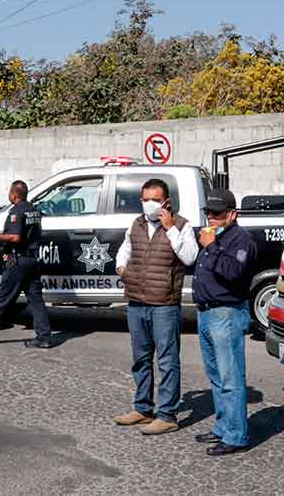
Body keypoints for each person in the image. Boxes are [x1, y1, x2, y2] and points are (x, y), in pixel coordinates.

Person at [111, 178, 198, 436]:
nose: (149, 204)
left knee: (167, 361)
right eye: (145, 199)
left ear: (166, 202)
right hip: (137, 302)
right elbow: (124, 250)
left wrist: (170, 228)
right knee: (140, 359)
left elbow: (189, 257)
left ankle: (167, 414)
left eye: (155, 200)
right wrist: (122, 268)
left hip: (164, 305)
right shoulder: (136, 224)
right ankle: (142, 408)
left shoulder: (182, 225)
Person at [191, 189, 257, 456]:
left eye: (217, 213)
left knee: (231, 378)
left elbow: (233, 272)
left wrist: (211, 246)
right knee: (216, 377)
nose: (211, 217)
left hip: (226, 313)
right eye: (208, 212)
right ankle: (223, 426)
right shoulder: (215, 236)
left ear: (232, 214)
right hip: (207, 312)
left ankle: (236, 435)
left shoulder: (240, 240)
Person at [0, 180, 53, 348]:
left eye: (9, 192)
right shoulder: (34, 211)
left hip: (18, 261)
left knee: (2, 298)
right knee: (36, 300)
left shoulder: (16, 211)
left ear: (14, 194)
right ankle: (44, 337)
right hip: (32, 260)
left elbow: (16, 237)